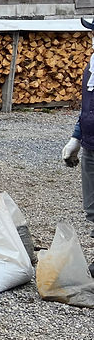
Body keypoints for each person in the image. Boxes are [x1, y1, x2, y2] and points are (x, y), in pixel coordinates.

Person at [61, 17, 94, 240]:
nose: (91, 38)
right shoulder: (91, 67)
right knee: (92, 207)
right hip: (91, 147)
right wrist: (76, 138)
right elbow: (88, 109)